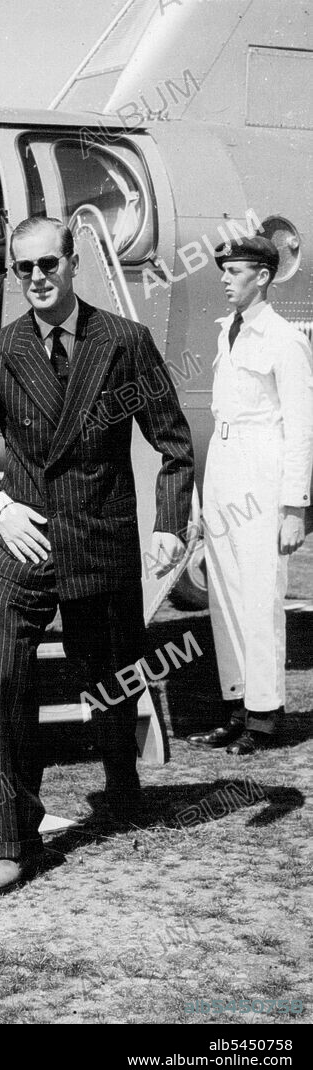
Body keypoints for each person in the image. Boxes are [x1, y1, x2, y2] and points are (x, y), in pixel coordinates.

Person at [0, 216, 194, 897]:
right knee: (5, 683)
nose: (35, 278)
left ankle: (120, 782)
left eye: (46, 264)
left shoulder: (123, 342)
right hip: (23, 541)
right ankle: (10, 838)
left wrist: (170, 523)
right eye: (21, 267)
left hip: (98, 536)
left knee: (111, 676)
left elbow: (173, 444)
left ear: (72, 261)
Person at [188, 236, 313, 756]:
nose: (224, 278)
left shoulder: (284, 339)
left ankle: (265, 716)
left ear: (262, 276)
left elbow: (302, 427)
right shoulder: (228, 333)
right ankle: (236, 707)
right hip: (223, 468)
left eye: (235, 270)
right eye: (223, 269)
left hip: (262, 474)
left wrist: (294, 507)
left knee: (261, 597)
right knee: (225, 596)